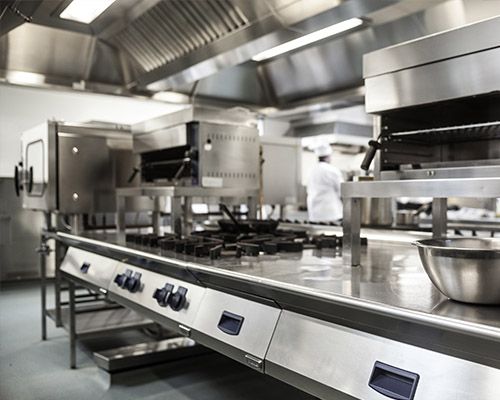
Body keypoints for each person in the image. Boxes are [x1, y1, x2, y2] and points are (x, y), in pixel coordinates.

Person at [307, 144, 344, 222]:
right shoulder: (332, 170)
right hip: (330, 210)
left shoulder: (312, 170)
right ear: (327, 157)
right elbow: (342, 190)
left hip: (314, 211)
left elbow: (309, 189)